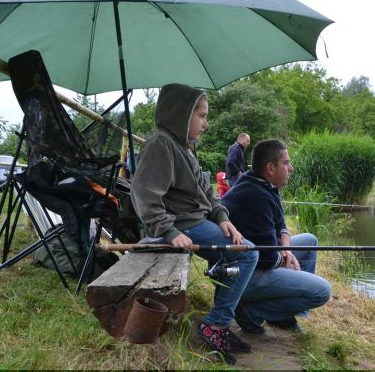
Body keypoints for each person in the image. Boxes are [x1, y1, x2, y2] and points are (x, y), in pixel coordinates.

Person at [130, 83, 258, 365]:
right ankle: (216, 325)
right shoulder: (161, 144)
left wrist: (222, 218)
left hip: (198, 221)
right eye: (201, 116)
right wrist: (169, 231)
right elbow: (143, 194)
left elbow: (206, 192)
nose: (206, 124)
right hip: (183, 226)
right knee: (248, 254)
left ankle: (220, 323)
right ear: (181, 114)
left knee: (240, 252)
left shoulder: (185, 148)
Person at [221, 139, 331, 334]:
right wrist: (285, 261)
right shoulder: (256, 196)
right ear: (270, 168)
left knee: (310, 241)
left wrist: (287, 251)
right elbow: (268, 258)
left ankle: (282, 313)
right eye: (286, 163)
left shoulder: (263, 184)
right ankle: (251, 311)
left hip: (259, 260)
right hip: (242, 275)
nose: (291, 168)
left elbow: (282, 227)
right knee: (323, 291)